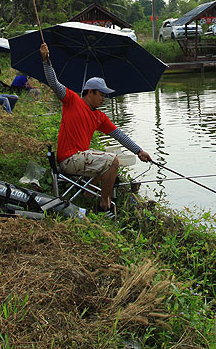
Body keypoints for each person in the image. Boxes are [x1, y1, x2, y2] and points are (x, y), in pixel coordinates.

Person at [40, 42, 152, 217]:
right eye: (101, 94)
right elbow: (54, 83)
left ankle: (88, 193)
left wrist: (139, 151)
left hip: (81, 159)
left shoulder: (99, 117)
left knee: (104, 159)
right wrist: (46, 60)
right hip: (69, 159)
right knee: (112, 161)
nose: (103, 99)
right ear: (90, 92)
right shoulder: (71, 100)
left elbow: (119, 135)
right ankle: (104, 205)